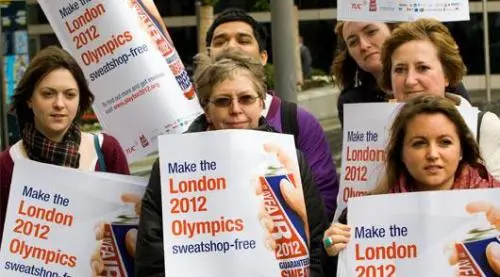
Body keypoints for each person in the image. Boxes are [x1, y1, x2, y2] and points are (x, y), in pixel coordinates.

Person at [135, 50, 330, 276]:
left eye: (246, 99)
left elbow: (317, 248)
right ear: (207, 110)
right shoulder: (170, 167)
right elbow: (152, 262)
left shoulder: (290, 160)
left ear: (261, 104)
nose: (236, 109)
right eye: (222, 101)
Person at [323, 96, 500, 275]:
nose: (432, 154)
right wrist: (332, 252)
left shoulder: (495, 210)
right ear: (401, 153)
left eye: (445, 142)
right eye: (419, 143)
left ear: (461, 150)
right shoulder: (362, 217)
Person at [204, 8, 339, 220]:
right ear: (209, 56)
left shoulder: (298, 122)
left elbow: (326, 201)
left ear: (263, 57)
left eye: (243, 39)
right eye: (220, 41)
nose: (231, 46)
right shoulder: (190, 131)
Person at [0, 46, 130, 242]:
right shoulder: (7, 165)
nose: (59, 104)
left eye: (70, 95)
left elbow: (128, 226)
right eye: (48, 94)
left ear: (80, 100)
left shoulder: (106, 151)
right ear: (29, 99)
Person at [378, 18, 500, 180]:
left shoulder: (484, 126)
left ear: (447, 75)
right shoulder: (376, 130)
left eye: (423, 68)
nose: (409, 80)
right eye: (400, 70)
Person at [332, 21, 471, 127]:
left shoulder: (450, 85)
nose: (363, 45)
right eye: (353, 42)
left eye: (371, 32)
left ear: (393, 30)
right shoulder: (351, 101)